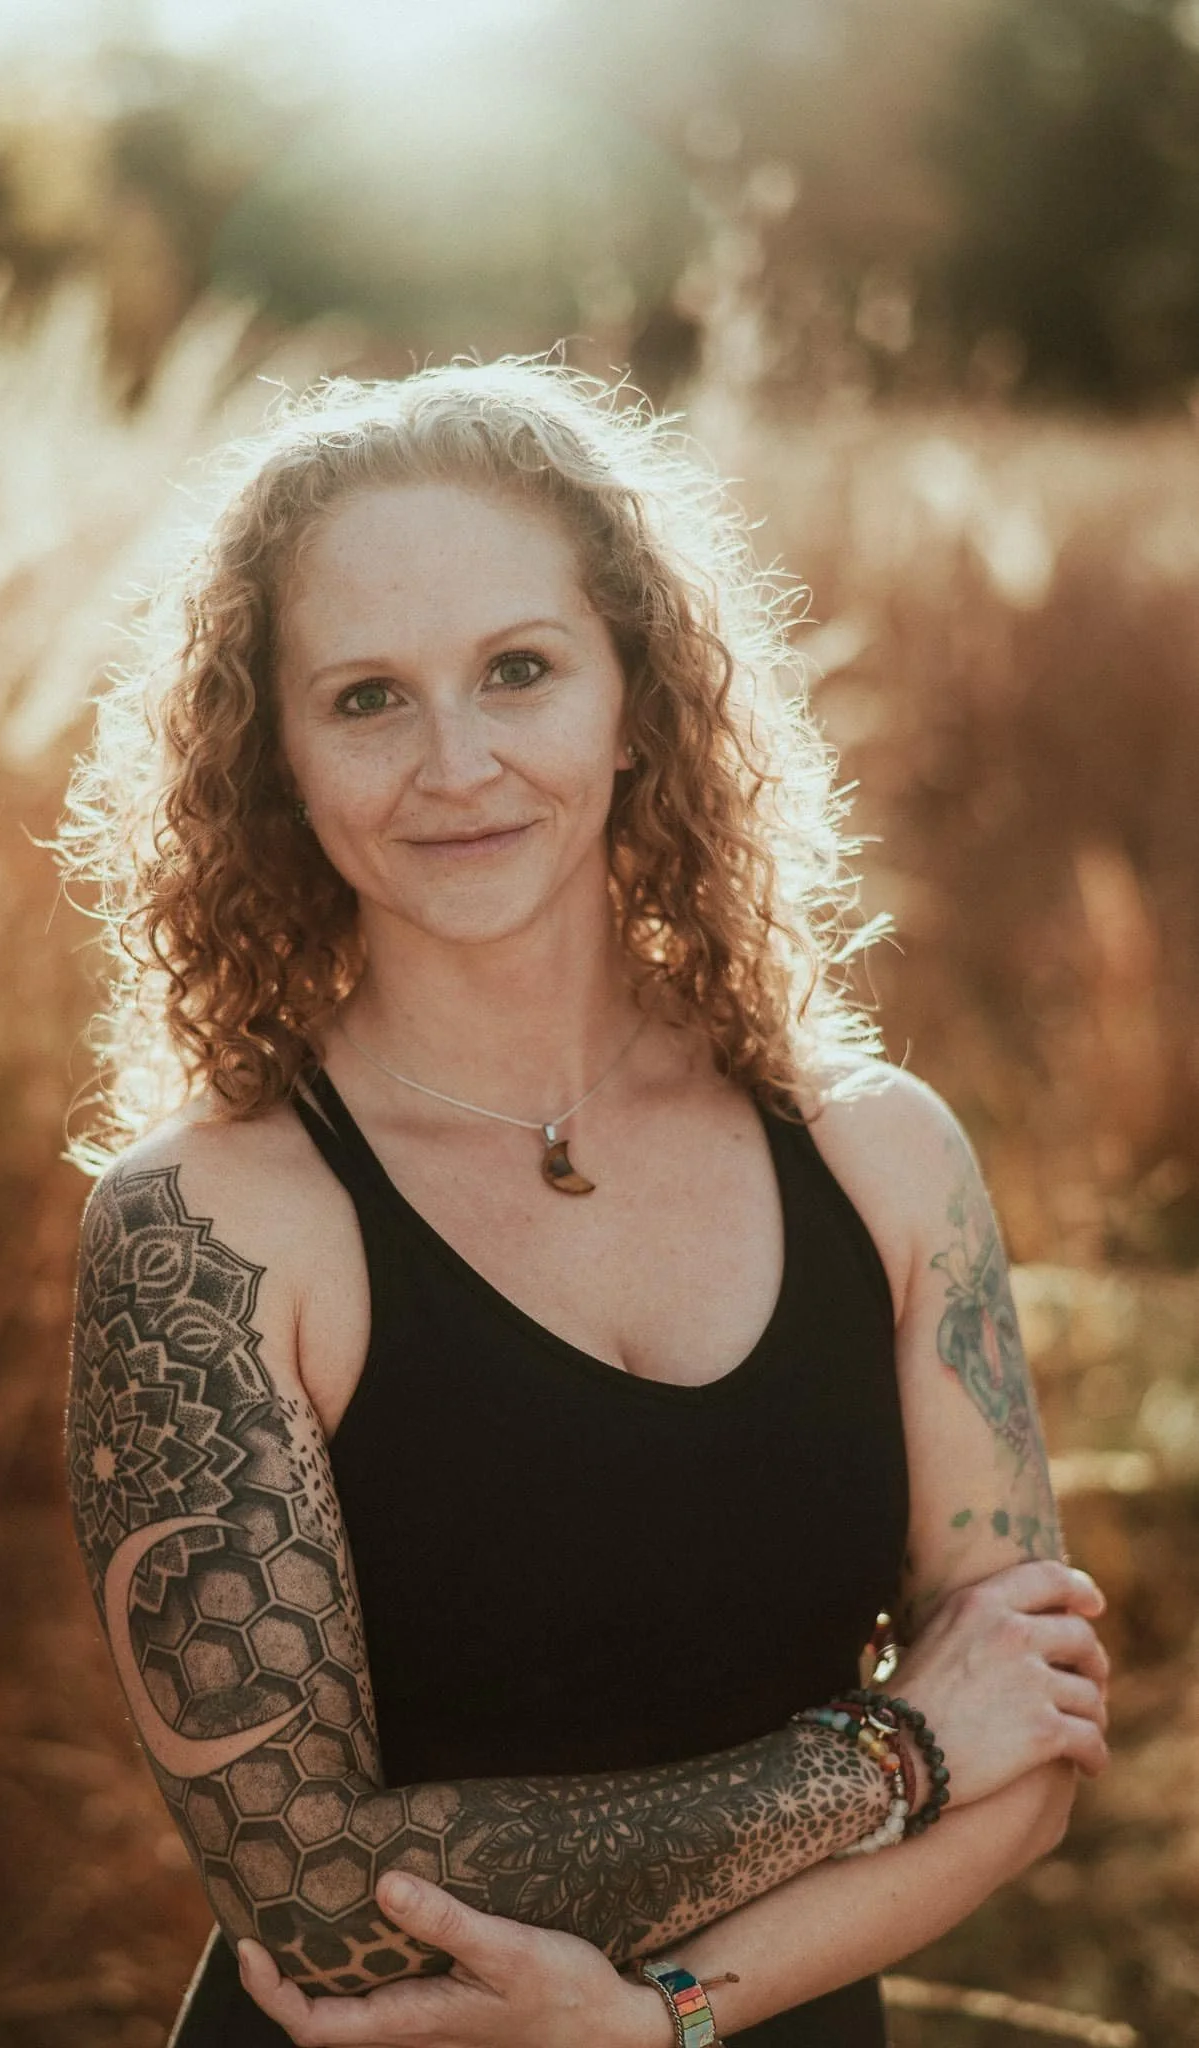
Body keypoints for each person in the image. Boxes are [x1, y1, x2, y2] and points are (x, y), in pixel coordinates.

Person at [60, 358, 1110, 2048]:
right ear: (276, 764)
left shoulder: (877, 1152)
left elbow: (1035, 1753)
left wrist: (665, 2019)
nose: (455, 761)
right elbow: (320, 1899)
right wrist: (893, 1749)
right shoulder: (207, 1226)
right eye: (366, 699)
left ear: (639, 703)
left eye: (519, 670)